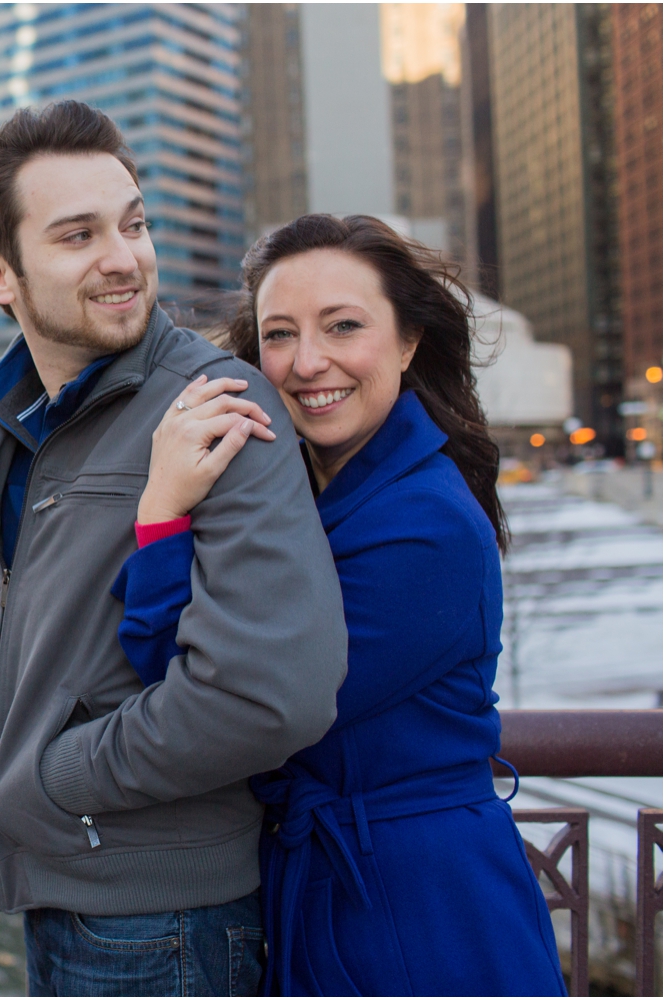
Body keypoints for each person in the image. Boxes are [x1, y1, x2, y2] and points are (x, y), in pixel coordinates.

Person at [119, 214, 567, 995]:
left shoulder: (427, 527)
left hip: (417, 903)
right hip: (320, 875)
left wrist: (164, 515)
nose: (307, 362)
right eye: (280, 334)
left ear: (407, 342)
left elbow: (221, 701)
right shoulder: (289, 495)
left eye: (344, 326)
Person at [0, 101, 347, 997]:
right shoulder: (13, 414)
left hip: (166, 920)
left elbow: (268, 694)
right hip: (60, 890)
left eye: (133, 224)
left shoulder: (218, 404)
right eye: (77, 235)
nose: (123, 257)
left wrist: (55, 781)